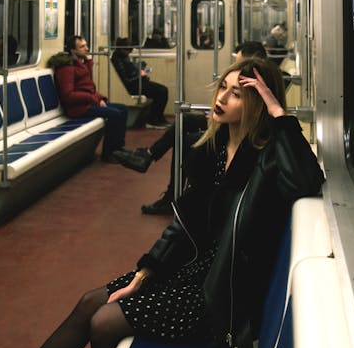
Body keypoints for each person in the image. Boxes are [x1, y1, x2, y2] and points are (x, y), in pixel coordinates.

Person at [0, 56, 324, 348]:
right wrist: (147, 271)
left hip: (222, 296)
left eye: (237, 94)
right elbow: (185, 224)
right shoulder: (213, 149)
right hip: (195, 273)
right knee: (92, 301)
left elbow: (306, 181)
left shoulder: (267, 156)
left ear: (257, 105)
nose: (222, 98)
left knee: (104, 323)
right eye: (222, 87)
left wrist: (278, 113)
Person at [117, 41, 270, 215]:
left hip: (235, 127)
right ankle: (153, 163)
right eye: (223, 87)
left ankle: (155, 168)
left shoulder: (263, 88)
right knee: (186, 120)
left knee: (187, 139)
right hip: (230, 123)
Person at [47, 35, 133, 163]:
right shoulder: (67, 68)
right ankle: (108, 153)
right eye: (82, 47)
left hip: (87, 103)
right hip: (78, 108)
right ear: (73, 50)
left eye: (86, 45)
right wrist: (94, 100)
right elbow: (68, 95)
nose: (86, 49)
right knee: (114, 114)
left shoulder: (81, 64)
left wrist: (100, 98)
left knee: (123, 109)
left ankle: (118, 148)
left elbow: (89, 88)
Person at [111, 37, 169, 128]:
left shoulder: (123, 57)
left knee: (163, 89)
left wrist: (140, 71)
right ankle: (153, 119)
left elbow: (130, 72)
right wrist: (140, 75)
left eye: (131, 49)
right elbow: (126, 80)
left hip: (137, 82)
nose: (129, 52)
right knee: (160, 92)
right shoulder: (117, 60)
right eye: (128, 49)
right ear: (120, 48)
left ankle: (159, 117)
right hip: (132, 86)